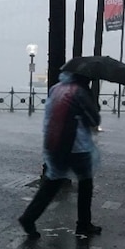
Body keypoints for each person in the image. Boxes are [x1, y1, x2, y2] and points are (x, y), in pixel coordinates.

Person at [19, 71, 103, 239]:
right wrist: (93, 105)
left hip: (54, 143)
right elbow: (94, 120)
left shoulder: (57, 88)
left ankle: (28, 217)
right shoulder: (80, 91)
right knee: (86, 184)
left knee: (51, 184)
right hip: (76, 146)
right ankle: (83, 224)